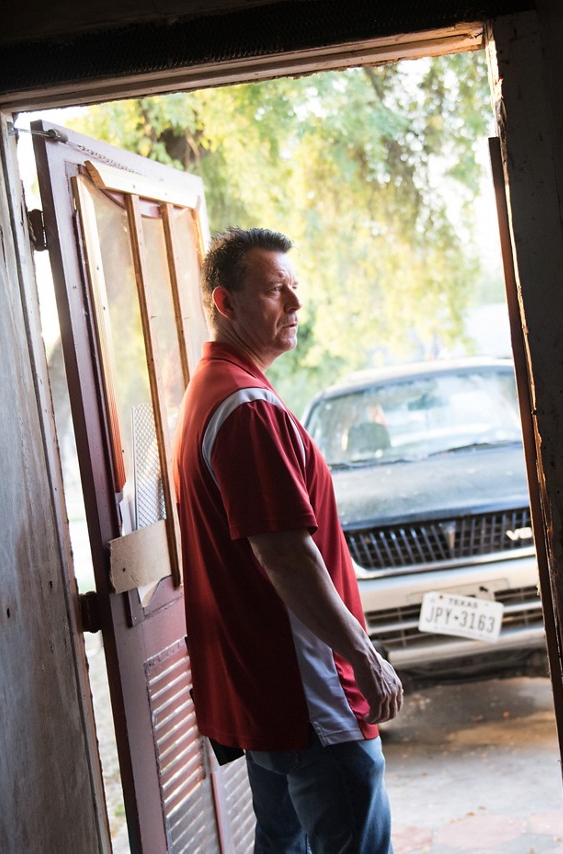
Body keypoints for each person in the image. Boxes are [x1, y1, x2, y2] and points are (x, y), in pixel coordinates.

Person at [171, 226, 404, 853]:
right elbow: (286, 558)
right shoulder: (247, 409)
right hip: (308, 695)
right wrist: (365, 657)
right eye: (276, 291)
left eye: (295, 289)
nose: (295, 306)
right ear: (226, 302)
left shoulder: (213, 389)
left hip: (270, 696)